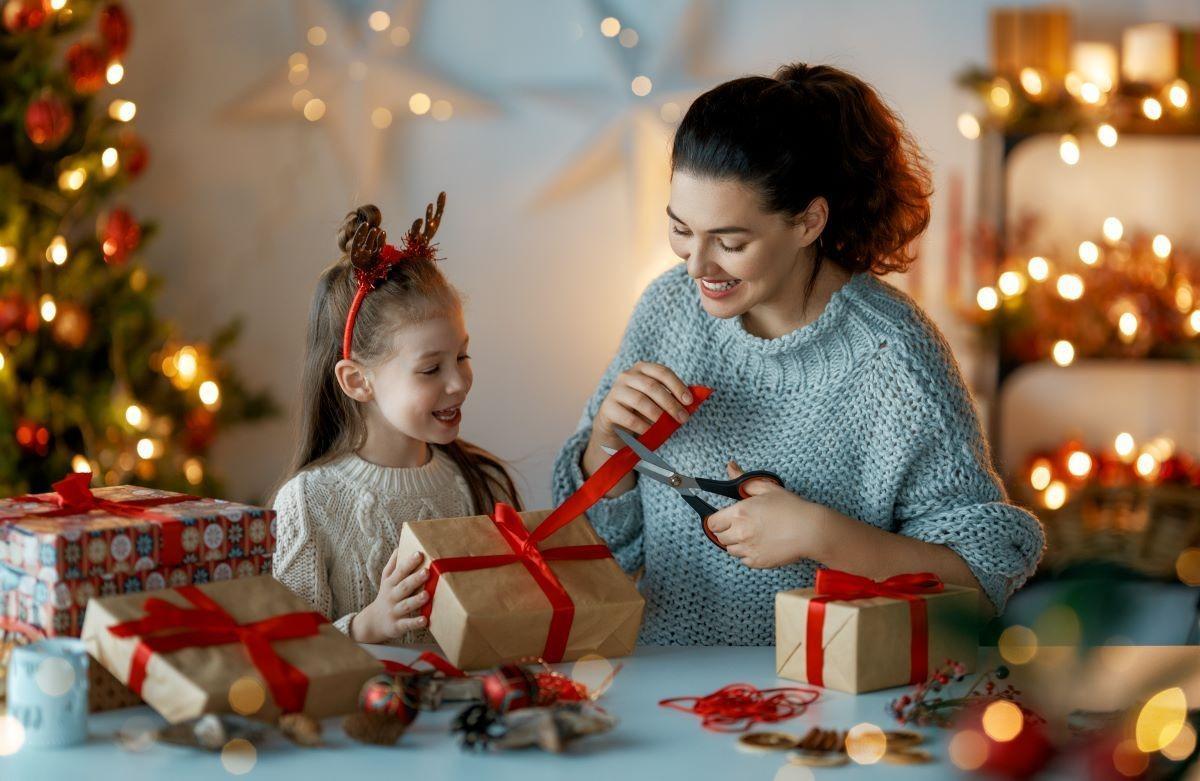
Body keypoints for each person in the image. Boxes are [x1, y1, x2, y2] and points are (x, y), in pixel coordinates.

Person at [552, 63, 1044, 646]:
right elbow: (597, 551)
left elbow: (984, 574)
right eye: (682, 230)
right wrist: (605, 445)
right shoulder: (668, 308)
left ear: (809, 221)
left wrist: (820, 534)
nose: (696, 266)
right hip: (666, 692)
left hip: (831, 710)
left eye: (731, 242)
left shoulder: (894, 357)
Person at [274, 196, 520, 644]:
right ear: (356, 381)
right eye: (431, 369)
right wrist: (368, 626)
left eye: (462, 356)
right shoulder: (307, 505)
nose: (459, 383)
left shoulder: (482, 485)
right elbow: (290, 649)